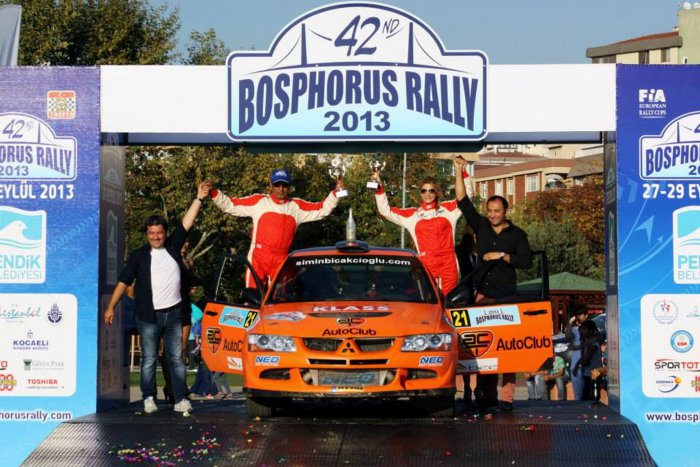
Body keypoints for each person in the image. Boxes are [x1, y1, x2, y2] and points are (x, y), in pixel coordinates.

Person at [103, 182, 209, 414]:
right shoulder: (138, 256)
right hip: (148, 317)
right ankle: (148, 398)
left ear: (165, 233)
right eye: (151, 233)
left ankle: (181, 398)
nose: (156, 237)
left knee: (176, 358)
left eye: (159, 233)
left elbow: (187, 222)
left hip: (174, 314)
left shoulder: (173, 247)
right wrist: (111, 307)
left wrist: (199, 198)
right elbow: (123, 282)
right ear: (147, 234)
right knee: (149, 359)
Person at [454, 156, 533, 412]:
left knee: (508, 350)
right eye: (489, 211)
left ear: (505, 211)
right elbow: (462, 201)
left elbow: (526, 261)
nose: (492, 215)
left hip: (508, 296)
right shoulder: (482, 227)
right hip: (483, 296)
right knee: (486, 349)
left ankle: (507, 398)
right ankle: (487, 397)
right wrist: (458, 170)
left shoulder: (518, 235)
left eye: (497, 211)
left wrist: (501, 256)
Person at [203, 169, 343, 288]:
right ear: (271, 185)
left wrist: (337, 193)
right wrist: (212, 192)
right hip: (258, 258)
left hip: (281, 260)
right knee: (252, 298)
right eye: (277, 184)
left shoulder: (296, 206)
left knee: (277, 302)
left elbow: (322, 209)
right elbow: (230, 205)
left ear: (289, 187)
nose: (281, 188)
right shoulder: (259, 201)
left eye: (284, 185)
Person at [370, 167, 472, 295]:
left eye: (431, 190)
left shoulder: (448, 209)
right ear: (420, 193)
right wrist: (379, 188)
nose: (427, 194)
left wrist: (462, 171)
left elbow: (467, 197)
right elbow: (385, 211)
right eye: (424, 191)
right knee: (429, 300)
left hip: (448, 263)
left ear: (436, 192)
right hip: (427, 264)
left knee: (449, 300)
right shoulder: (412, 215)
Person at [572, 319, 603, 401]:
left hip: (594, 375)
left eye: (584, 329)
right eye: (581, 329)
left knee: (591, 397)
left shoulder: (593, 344)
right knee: (587, 396)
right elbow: (584, 357)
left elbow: (586, 359)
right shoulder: (588, 343)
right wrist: (577, 365)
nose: (582, 331)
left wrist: (580, 364)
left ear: (591, 331)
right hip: (588, 374)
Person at [566, 304, 588, 400]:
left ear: (586, 315)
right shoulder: (575, 329)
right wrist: (570, 323)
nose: (579, 317)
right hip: (575, 365)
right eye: (578, 315)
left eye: (581, 314)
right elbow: (568, 336)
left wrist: (575, 347)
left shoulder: (591, 328)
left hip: (587, 366)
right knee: (577, 396)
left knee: (587, 395)